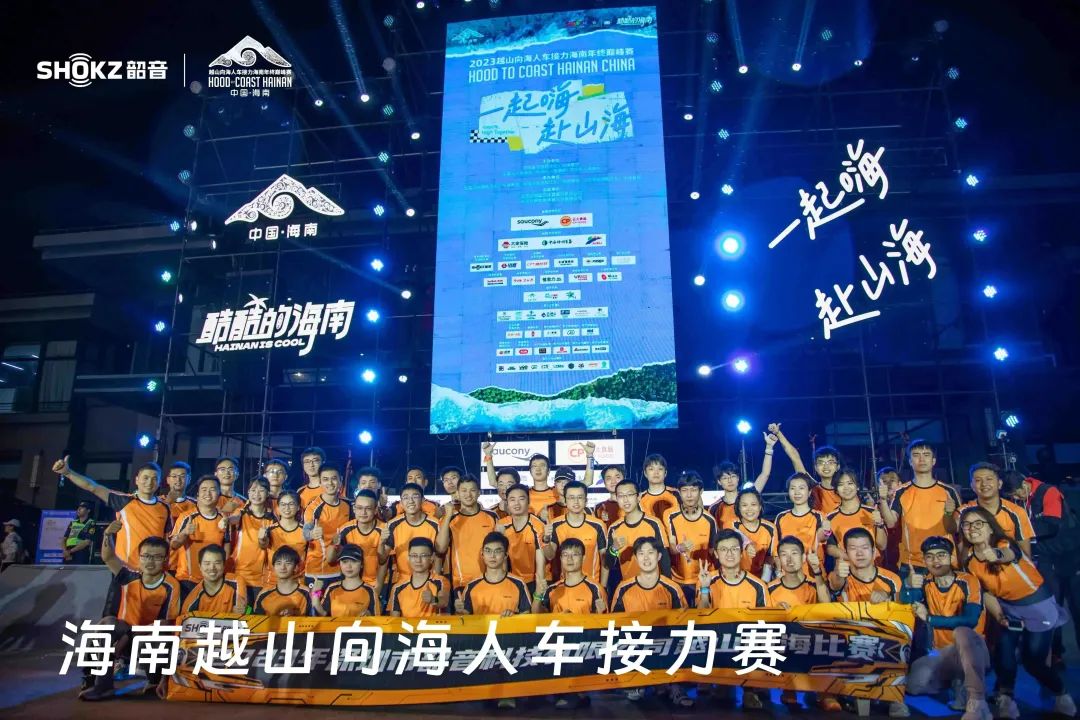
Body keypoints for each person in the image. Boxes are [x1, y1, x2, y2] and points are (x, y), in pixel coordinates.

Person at [958, 506, 1075, 719]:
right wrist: (999, 615)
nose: (972, 528)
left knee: (1033, 662)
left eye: (978, 523)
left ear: (990, 527)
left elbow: (1008, 554)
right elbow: (986, 592)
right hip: (1008, 608)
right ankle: (1006, 699)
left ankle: (1062, 694)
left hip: (1037, 605)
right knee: (1003, 653)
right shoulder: (970, 561)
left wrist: (995, 554)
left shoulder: (1004, 543)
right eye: (966, 525)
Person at [79, 525, 181, 701]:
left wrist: (128, 636)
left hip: (147, 640)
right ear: (139, 557)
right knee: (106, 624)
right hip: (124, 636)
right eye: (146, 556)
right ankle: (101, 684)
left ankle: (154, 681)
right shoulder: (129, 576)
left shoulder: (171, 585)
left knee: (161, 638)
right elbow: (108, 557)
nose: (150, 561)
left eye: (157, 557)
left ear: (165, 559)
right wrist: (107, 534)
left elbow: (165, 624)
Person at [902, 536, 992, 720]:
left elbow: (970, 620)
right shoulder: (925, 581)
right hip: (941, 653)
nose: (936, 561)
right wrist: (908, 586)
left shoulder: (968, 581)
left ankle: (978, 703)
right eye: (930, 556)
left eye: (941, 555)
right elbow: (906, 604)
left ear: (951, 557)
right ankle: (956, 682)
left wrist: (930, 619)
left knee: (962, 633)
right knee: (913, 684)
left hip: (974, 649)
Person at [827, 527, 908, 718]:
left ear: (874, 551)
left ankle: (894, 698)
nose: (859, 553)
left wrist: (888, 600)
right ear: (845, 553)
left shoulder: (892, 579)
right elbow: (835, 584)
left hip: (886, 642)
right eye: (853, 548)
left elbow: (903, 617)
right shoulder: (839, 575)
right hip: (850, 643)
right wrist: (839, 574)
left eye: (864, 548)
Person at [1011, 471, 1080, 673]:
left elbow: (1052, 524)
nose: (1015, 497)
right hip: (1048, 561)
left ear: (1025, 484)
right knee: (1052, 610)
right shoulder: (1021, 500)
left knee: (1077, 609)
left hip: (1071, 559)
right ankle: (1055, 655)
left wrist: (1019, 528)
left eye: (1016, 493)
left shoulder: (1048, 492)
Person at [610, 537, 689, 707]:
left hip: (665, 647)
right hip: (636, 648)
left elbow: (684, 624)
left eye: (651, 553)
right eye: (641, 554)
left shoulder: (672, 588)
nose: (646, 558)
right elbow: (615, 627)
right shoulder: (624, 588)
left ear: (659, 556)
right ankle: (637, 682)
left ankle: (672, 685)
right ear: (635, 558)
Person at [699, 529, 773, 709]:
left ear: (741, 553)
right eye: (724, 550)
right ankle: (721, 682)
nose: (729, 554)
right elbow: (701, 616)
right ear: (716, 554)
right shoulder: (708, 580)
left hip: (747, 640)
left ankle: (750, 689)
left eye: (734, 549)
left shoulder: (757, 585)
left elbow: (767, 622)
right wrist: (705, 589)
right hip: (718, 640)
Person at [52, 456, 171, 568]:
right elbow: (92, 487)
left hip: (154, 571)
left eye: (154, 479)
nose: (149, 482)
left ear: (159, 483)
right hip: (125, 569)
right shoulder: (123, 500)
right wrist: (68, 473)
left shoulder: (165, 508)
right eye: (145, 478)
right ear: (137, 480)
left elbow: (167, 541)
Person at [456, 532, 531, 710]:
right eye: (488, 551)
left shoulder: (518, 583)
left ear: (505, 555)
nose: (492, 556)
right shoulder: (472, 586)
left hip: (508, 643)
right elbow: (466, 621)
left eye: (498, 551)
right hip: (481, 643)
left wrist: (513, 617)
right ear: (482, 554)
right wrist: (460, 611)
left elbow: (527, 616)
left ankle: (507, 693)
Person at [534, 537, 605, 711]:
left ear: (583, 558)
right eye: (565, 555)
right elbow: (536, 618)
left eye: (575, 554)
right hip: (556, 647)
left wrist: (574, 622)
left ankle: (576, 692)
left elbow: (602, 628)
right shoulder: (552, 589)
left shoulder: (595, 589)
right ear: (560, 558)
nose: (570, 559)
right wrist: (537, 596)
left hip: (583, 647)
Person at [879, 439, 960, 585]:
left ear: (933, 461)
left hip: (943, 561)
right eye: (916, 455)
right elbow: (891, 523)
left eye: (926, 455)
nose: (921, 459)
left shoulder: (949, 491)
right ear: (910, 461)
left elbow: (955, 529)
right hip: (912, 563)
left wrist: (948, 514)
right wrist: (883, 500)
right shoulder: (901, 491)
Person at [768, 535, 834, 711]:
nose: (789, 559)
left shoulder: (814, 583)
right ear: (779, 559)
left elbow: (826, 605)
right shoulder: (770, 588)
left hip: (812, 638)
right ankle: (789, 689)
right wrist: (776, 612)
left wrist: (817, 571)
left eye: (794, 553)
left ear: (804, 557)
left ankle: (825, 693)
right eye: (784, 555)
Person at [605, 478, 670, 595]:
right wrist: (614, 549)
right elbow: (608, 564)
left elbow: (664, 557)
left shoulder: (654, 523)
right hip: (629, 589)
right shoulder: (614, 528)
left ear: (638, 497)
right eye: (621, 496)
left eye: (630, 494)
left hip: (655, 588)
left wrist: (667, 588)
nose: (625, 499)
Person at [955, 463, 1034, 557]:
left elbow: (1025, 555)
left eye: (989, 479)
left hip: (1009, 564)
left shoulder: (1017, 512)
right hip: (975, 565)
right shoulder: (962, 512)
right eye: (978, 480)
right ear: (972, 486)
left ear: (999, 484)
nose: (984, 484)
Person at [436, 474, 499, 591]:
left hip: (489, 580)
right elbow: (440, 549)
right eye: (464, 491)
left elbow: (501, 549)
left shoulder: (492, 517)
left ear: (479, 493)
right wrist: (448, 516)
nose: (468, 494)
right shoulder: (450, 519)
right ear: (458, 493)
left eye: (472, 490)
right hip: (461, 583)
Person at [666, 471, 719, 605]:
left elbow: (713, 552)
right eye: (685, 490)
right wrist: (680, 548)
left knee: (704, 615)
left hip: (704, 579)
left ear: (701, 491)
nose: (689, 495)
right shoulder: (670, 515)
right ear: (679, 492)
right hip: (678, 579)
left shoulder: (710, 520)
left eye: (693, 490)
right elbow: (671, 547)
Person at [302, 464, 354, 594]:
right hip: (317, 572)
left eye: (334, 478)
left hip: (342, 570)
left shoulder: (348, 505)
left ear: (340, 480)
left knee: (336, 606)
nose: (330, 483)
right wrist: (311, 534)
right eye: (325, 479)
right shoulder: (313, 507)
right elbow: (306, 533)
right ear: (320, 482)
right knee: (316, 604)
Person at [546, 480, 608, 588]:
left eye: (580, 497)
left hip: (592, 585)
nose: (576, 502)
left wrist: (602, 588)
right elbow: (550, 555)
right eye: (571, 498)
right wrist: (546, 540)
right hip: (565, 585)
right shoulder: (555, 524)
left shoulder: (598, 525)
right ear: (565, 500)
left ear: (586, 501)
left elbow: (605, 561)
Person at [708, 433, 777, 529]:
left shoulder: (749, 495)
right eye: (725, 478)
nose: (730, 480)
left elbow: (765, 474)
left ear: (738, 478)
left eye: (733, 476)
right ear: (719, 482)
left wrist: (769, 447)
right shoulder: (714, 508)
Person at [171, 475, 229, 589]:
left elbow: (226, 548)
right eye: (204, 489)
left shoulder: (224, 519)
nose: (208, 493)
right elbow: (173, 545)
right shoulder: (186, 517)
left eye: (212, 489)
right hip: (187, 580)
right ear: (197, 494)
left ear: (219, 494)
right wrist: (185, 533)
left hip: (213, 580)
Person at [226, 476, 275, 606]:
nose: (256, 494)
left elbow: (266, 545)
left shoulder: (272, 518)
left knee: (256, 613)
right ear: (248, 493)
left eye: (261, 490)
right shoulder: (241, 512)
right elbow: (233, 519)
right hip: (240, 573)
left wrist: (262, 540)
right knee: (240, 611)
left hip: (261, 576)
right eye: (253, 490)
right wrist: (226, 520)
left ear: (268, 493)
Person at [381, 483, 441, 589]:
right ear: (401, 503)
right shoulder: (393, 525)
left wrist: (435, 583)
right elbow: (382, 558)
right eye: (406, 497)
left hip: (428, 581)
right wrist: (381, 542)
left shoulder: (436, 525)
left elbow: (439, 557)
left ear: (423, 500)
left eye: (415, 496)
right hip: (401, 582)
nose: (411, 501)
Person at [330, 489, 387, 599]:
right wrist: (334, 545)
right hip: (352, 582)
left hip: (378, 583)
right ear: (354, 509)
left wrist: (378, 587)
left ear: (375, 510)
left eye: (368, 508)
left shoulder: (384, 529)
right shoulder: (345, 530)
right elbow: (331, 559)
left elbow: (383, 562)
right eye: (359, 508)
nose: (363, 513)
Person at [772, 472, 828, 574]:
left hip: (813, 574)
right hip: (787, 575)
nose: (797, 492)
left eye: (801, 488)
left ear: (809, 492)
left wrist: (827, 531)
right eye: (793, 488)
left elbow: (825, 537)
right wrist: (779, 571)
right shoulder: (781, 517)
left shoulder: (819, 516)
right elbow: (776, 549)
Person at [825, 468, 886, 561]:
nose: (846, 488)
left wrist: (879, 524)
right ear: (836, 489)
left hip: (873, 565)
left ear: (857, 486)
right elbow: (830, 548)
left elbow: (882, 546)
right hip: (847, 568)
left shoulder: (872, 512)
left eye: (850, 483)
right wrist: (853, 559)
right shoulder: (830, 518)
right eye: (841, 484)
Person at [497, 484, 546, 592]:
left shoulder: (538, 526)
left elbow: (541, 565)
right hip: (511, 580)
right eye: (512, 499)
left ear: (528, 501)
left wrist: (538, 594)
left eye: (521, 499)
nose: (517, 503)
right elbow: (500, 560)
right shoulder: (501, 525)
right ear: (507, 503)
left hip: (534, 581)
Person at [387, 537, 450, 617]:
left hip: (432, 625)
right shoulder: (397, 588)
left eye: (423, 555)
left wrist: (433, 599)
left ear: (432, 558)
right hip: (407, 625)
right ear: (408, 558)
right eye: (414, 556)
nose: (418, 560)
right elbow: (394, 620)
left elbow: (444, 601)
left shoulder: (440, 581)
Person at [180, 544, 247, 614]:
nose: (212, 568)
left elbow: (242, 609)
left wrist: (241, 610)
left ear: (224, 565)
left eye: (217, 563)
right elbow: (183, 618)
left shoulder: (236, 582)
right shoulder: (193, 599)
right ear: (200, 567)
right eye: (207, 563)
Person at [259, 491, 306, 586]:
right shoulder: (270, 529)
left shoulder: (305, 531)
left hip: (297, 582)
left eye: (291, 504)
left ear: (298, 507)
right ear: (278, 508)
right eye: (283, 504)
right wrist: (261, 539)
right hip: (272, 582)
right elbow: (263, 545)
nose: (287, 508)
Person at [319, 543, 379, 616]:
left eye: (354, 561)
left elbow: (377, 620)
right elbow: (322, 616)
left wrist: (369, 617)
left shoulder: (370, 591)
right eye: (345, 562)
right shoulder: (332, 588)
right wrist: (315, 594)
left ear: (362, 564)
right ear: (339, 564)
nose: (349, 566)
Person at [254, 546, 315, 616]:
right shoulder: (263, 594)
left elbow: (315, 619)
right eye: (279, 563)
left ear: (296, 567)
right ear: (273, 567)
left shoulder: (307, 593)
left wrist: (295, 615)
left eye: (288, 563)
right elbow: (256, 620)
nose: (283, 567)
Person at [731, 488, 777, 579]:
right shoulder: (732, 524)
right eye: (744, 505)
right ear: (738, 507)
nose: (749, 509)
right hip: (736, 578)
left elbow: (770, 557)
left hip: (760, 579)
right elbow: (736, 533)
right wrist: (747, 545)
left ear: (760, 507)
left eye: (753, 504)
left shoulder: (770, 528)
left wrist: (764, 581)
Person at [159, 462, 194, 572]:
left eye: (182, 476)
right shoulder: (157, 502)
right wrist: (168, 503)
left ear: (189, 479)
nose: (178, 480)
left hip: (185, 564)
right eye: (174, 476)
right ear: (168, 479)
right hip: (161, 560)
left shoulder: (196, 505)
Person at [876, 466, 904, 573]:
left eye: (892, 481)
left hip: (901, 556)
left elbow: (891, 523)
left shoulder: (904, 502)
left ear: (900, 484)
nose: (888, 484)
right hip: (882, 559)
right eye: (884, 481)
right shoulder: (874, 506)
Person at [638, 453, 680, 522]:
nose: (656, 472)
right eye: (651, 469)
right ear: (645, 473)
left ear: (665, 473)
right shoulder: (640, 499)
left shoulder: (676, 494)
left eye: (660, 469)